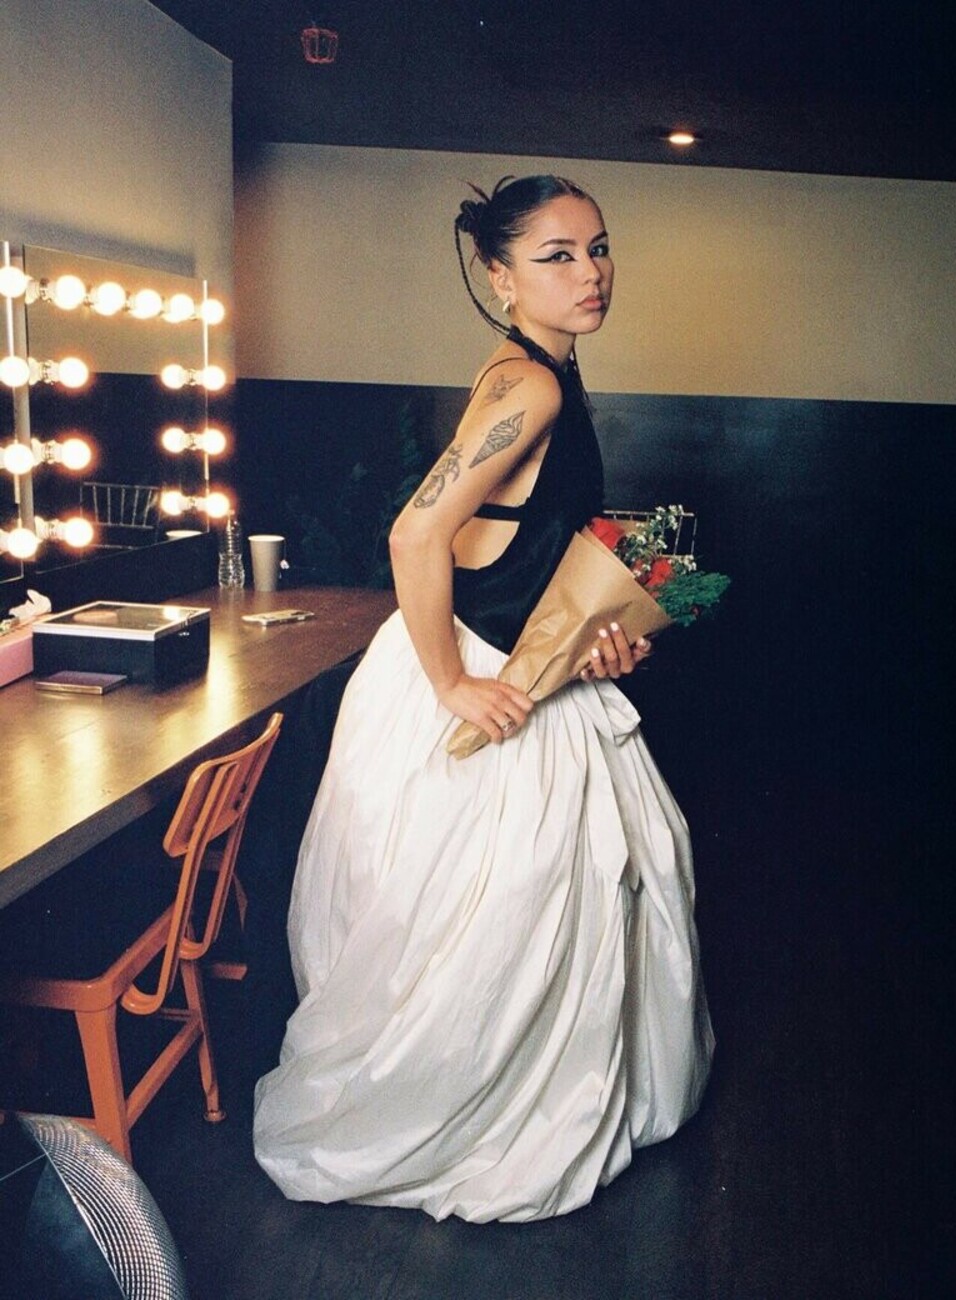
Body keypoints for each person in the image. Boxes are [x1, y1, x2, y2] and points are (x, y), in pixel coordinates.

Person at [253, 175, 714, 1223]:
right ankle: (480, 1120)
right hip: (472, 671)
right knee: (495, 918)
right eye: (558, 256)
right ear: (500, 277)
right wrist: (454, 682)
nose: (592, 272)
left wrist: (591, 637)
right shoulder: (531, 387)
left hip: (515, 658)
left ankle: (519, 1102)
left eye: (599, 248)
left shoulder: (535, 372)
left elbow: (505, 544)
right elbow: (416, 533)